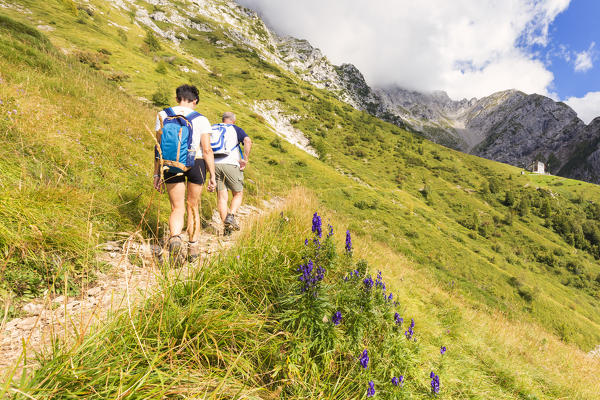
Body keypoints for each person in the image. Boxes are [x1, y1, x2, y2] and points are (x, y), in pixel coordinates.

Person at [153, 84, 216, 261]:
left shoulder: (163, 114)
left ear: (177, 98)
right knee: (193, 205)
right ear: (195, 101)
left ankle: (175, 238)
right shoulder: (201, 119)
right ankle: (193, 248)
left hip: (171, 163)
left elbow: (158, 147)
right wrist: (212, 175)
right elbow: (207, 150)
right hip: (196, 163)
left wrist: (156, 174)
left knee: (177, 207)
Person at [212, 111, 252, 234]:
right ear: (233, 121)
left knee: (222, 197)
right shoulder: (235, 129)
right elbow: (247, 140)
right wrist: (245, 159)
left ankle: (227, 229)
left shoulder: (213, 127)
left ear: (222, 119)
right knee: (238, 193)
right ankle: (231, 216)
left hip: (214, 164)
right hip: (231, 163)